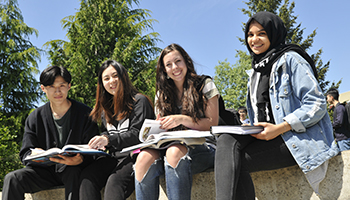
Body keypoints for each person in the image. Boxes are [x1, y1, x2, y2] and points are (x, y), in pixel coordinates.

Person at [214, 11, 339, 200]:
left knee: (234, 162)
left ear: (274, 33)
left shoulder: (291, 59)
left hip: (295, 139)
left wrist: (281, 127)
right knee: (225, 140)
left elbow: (317, 103)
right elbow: (262, 114)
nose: (254, 39)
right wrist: (251, 126)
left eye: (261, 33)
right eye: (250, 34)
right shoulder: (255, 72)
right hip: (267, 138)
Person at [134, 43, 219, 200]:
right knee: (143, 158)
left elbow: (212, 124)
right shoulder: (162, 94)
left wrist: (182, 119)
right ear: (164, 70)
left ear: (186, 61)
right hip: (170, 147)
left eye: (178, 61)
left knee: (174, 152)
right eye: (169, 64)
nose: (175, 67)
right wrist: (157, 128)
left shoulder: (205, 84)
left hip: (205, 147)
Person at [2, 66, 99, 200]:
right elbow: (25, 153)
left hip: (74, 170)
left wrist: (81, 159)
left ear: (69, 86)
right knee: (12, 178)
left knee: (73, 172)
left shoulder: (86, 114)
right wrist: (37, 155)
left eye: (62, 85)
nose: (58, 91)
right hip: (44, 173)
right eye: (52, 86)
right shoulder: (35, 117)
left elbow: (95, 150)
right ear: (43, 88)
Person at [78, 60, 155, 200]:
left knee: (114, 184)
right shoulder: (105, 108)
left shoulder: (139, 101)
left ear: (123, 77)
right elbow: (107, 133)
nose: (111, 81)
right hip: (113, 158)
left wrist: (108, 139)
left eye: (115, 76)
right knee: (87, 178)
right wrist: (100, 140)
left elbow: (138, 134)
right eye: (106, 79)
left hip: (135, 156)